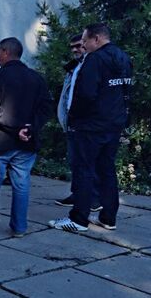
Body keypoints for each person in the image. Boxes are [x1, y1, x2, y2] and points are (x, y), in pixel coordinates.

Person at [49, 23, 132, 233]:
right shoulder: (122, 57)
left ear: (97, 39)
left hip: (91, 125)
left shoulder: (95, 59)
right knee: (107, 170)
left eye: (85, 41)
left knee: (84, 170)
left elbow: (85, 94)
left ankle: (78, 219)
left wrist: (74, 118)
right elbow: (125, 91)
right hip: (113, 123)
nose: (83, 45)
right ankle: (108, 217)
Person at [0, 37, 52, 238]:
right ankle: (19, 227)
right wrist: (29, 128)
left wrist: (17, 128)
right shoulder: (37, 78)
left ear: (6, 52)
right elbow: (45, 109)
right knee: (22, 184)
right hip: (27, 141)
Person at [54, 34, 99, 209]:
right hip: (72, 122)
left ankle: (93, 198)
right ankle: (77, 194)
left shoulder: (92, 66)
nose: (75, 50)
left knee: (88, 162)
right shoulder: (74, 67)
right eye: (72, 47)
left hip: (86, 123)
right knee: (75, 161)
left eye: (79, 45)